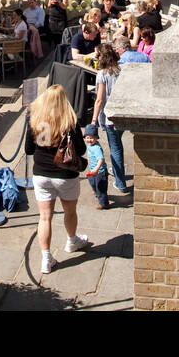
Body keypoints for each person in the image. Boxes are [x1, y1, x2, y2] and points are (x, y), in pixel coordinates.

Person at [25, 85, 91, 274]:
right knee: (70, 211)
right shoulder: (69, 122)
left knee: (45, 217)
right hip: (65, 174)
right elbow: (81, 149)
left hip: (41, 174)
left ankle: (46, 259)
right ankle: (72, 241)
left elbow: (29, 149)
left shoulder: (35, 119)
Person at [90, 44, 128, 194]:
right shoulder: (122, 70)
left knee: (115, 149)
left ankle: (120, 183)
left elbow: (99, 100)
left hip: (110, 116)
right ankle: (116, 170)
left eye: (98, 56)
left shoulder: (102, 74)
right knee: (117, 145)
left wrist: (93, 120)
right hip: (123, 114)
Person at [83, 124, 109, 210]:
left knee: (101, 187)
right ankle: (97, 192)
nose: (89, 140)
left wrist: (96, 169)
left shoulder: (97, 148)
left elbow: (101, 159)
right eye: (87, 138)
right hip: (93, 170)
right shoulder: (90, 146)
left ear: (96, 138)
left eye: (91, 138)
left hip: (100, 172)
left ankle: (104, 204)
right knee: (92, 182)